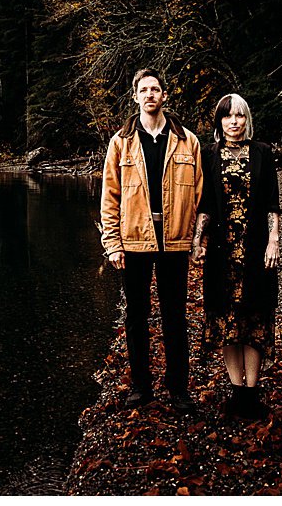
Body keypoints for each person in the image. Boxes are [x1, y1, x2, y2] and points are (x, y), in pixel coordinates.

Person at [100, 69, 203, 413]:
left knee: (175, 316)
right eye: (143, 90)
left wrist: (197, 238)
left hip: (175, 241)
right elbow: (110, 197)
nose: (149, 94)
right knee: (136, 315)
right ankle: (141, 387)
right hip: (134, 241)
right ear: (135, 97)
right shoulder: (121, 142)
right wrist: (112, 243)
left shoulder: (187, 140)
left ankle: (178, 389)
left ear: (164, 95)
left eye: (155, 89)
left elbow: (200, 194)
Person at [191, 93, 281, 420]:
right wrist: (198, 240)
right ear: (219, 122)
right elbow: (205, 205)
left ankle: (252, 393)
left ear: (247, 120)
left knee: (254, 319)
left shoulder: (263, 154)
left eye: (239, 116)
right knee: (228, 321)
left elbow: (273, 202)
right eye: (227, 116)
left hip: (256, 251)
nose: (234, 122)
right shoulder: (208, 155)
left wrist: (274, 240)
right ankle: (236, 391)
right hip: (221, 253)